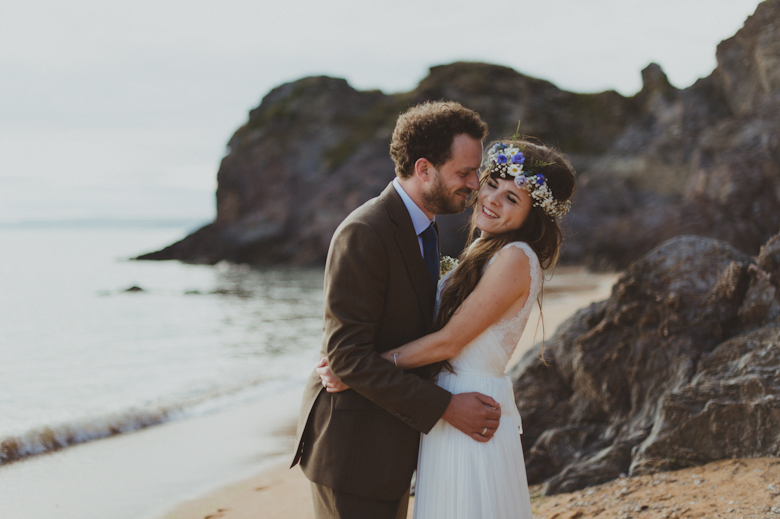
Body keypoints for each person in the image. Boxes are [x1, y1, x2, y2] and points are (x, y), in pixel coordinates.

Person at [320, 138, 576, 518]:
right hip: (450, 403)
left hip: (469, 405)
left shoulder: (515, 258)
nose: (492, 199)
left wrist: (360, 366)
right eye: (493, 184)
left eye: (512, 199)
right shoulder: (485, 250)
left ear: (532, 215)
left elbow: (450, 340)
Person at [291, 101, 504, 519]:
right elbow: (347, 357)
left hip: (389, 447)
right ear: (424, 169)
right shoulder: (365, 232)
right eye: (464, 172)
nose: (475, 183)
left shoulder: (424, 228)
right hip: (352, 451)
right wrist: (445, 406)